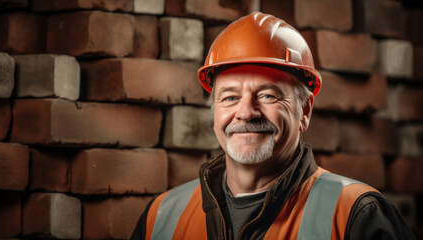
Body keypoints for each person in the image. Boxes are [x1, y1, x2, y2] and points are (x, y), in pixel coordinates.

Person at [131, 12, 415, 240]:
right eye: (230, 97)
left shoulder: (357, 213)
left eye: (267, 95)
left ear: (304, 111)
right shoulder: (161, 216)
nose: (246, 112)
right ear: (214, 112)